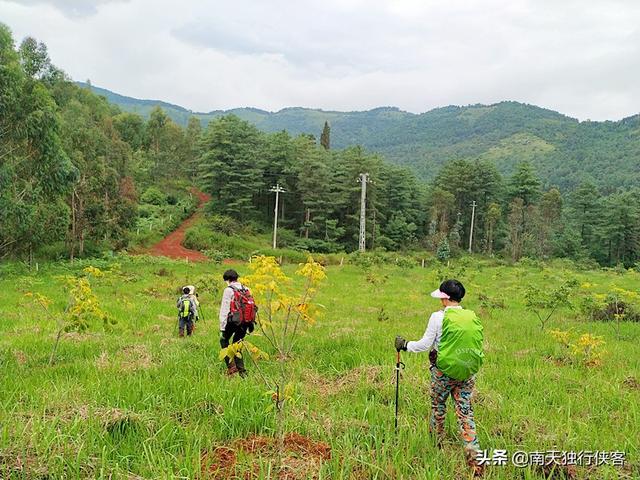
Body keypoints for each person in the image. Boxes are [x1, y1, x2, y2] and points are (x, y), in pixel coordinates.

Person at [395, 279, 485, 477]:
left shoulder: (437, 317)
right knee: (465, 412)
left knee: (438, 407)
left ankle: (436, 445)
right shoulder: (471, 316)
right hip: (467, 372)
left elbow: (425, 344)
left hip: (442, 372)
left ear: (445, 298)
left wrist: (405, 345)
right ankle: (475, 458)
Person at [219, 269, 254, 377]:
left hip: (233, 321)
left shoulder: (228, 290)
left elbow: (225, 309)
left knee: (224, 340)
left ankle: (231, 367)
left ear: (227, 279)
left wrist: (222, 327)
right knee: (237, 344)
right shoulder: (246, 288)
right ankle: (242, 372)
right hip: (246, 322)